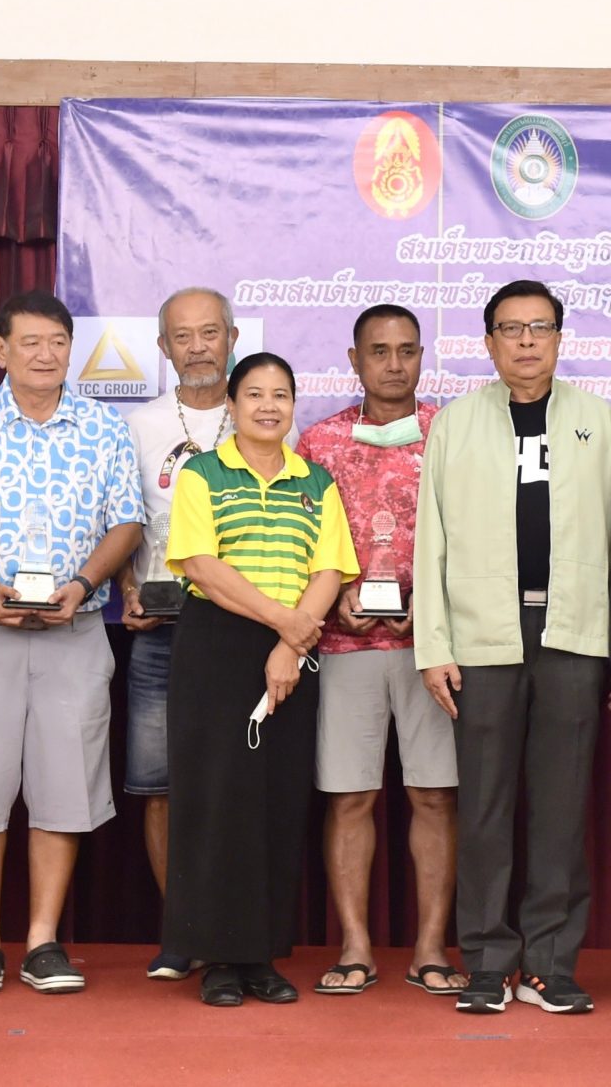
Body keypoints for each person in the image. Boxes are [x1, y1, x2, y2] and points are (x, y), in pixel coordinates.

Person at [414, 279, 611, 1017]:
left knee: (561, 808)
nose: (527, 340)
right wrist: (433, 645)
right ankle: (486, 961)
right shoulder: (455, 423)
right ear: (489, 342)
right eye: (512, 328)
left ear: (560, 338)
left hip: (574, 633)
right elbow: (430, 541)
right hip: (482, 639)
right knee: (482, 806)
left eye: (540, 327)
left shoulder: (600, 421)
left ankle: (549, 964)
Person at [0, 291, 144, 997]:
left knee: (64, 782)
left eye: (57, 342)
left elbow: (127, 522)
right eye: (30, 342)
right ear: (0, 348)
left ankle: (45, 939)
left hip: (73, 628)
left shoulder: (104, 428)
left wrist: (83, 584)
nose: (46, 354)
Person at [160, 352, 357, 1006]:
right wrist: (286, 626)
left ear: (293, 404)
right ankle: (218, 956)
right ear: (232, 404)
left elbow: (329, 569)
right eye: (254, 394)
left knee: (277, 800)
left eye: (280, 395)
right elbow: (201, 564)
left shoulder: (316, 481)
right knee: (218, 801)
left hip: (292, 646)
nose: (268, 406)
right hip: (218, 644)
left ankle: (262, 955)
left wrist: (290, 643)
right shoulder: (203, 472)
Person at [294, 305, 462, 999]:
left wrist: (439, 603)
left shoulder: (450, 432)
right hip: (343, 643)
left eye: (406, 350)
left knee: (434, 795)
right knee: (351, 796)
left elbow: (475, 531)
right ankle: (355, 945)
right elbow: (299, 537)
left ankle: (430, 946)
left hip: (434, 646)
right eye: (379, 351)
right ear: (354, 359)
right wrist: (334, 596)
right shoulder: (320, 441)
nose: (394, 363)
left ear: (422, 355)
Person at [122, 286, 261, 981]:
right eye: (184, 336)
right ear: (163, 347)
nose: (199, 347)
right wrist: (126, 586)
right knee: (162, 785)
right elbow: (122, 523)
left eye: (211, 333)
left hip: (248, 632)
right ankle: (182, 928)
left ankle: (237, 929)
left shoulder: (266, 417)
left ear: (232, 338)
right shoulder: (138, 426)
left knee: (239, 782)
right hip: (162, 632)